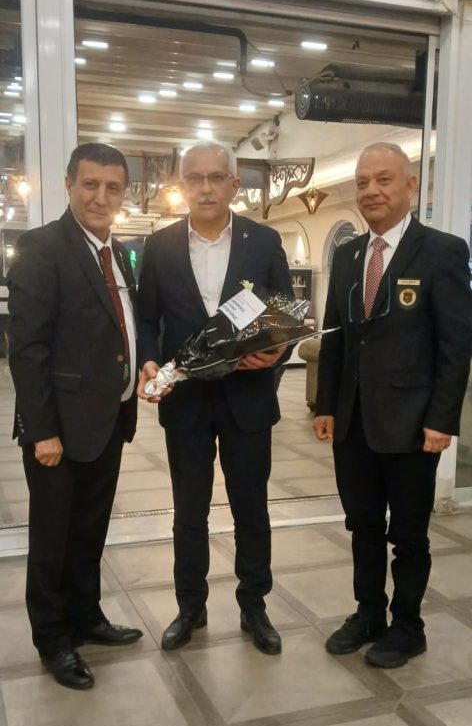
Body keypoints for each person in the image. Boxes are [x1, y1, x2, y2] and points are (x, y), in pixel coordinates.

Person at [315, 142, 472, 668]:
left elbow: (455, 345)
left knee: (407, 535)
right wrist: (325, 404)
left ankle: (408, 626)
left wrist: (442, 419)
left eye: (383, 179)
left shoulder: (443, 252)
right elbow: (336, 337)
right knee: (361, 526)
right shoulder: (347, 254)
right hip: (353, 421)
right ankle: (368, 614)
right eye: (362, 182)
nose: (371, 191)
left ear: (411, 185)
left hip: (411, 424)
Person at [137, 141, 292, 655]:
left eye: (216, 177)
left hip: (248, 399)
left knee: (252, 509)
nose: (205, 187)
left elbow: (285, 315)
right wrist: (149, 360)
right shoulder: (159, 246)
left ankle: (255, 607)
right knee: (189, 512)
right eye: (195, 178)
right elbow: (146, 319)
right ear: (182, 185)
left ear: (234, 184)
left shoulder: (263, 241)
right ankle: (190, 608)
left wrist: (278, 352)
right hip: (186, 402)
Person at [8, 143, 143, 691]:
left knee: (90, 530)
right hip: (58, 430)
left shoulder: (119, 254)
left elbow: (119, 327)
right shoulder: (42, 248)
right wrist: (41, 431)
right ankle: (53, 638)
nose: (100, 197)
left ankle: (86, 617)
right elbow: (27, 349)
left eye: (112, 188)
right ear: (69, 185)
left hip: (107, 420)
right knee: (53, 539)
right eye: (90, 185)